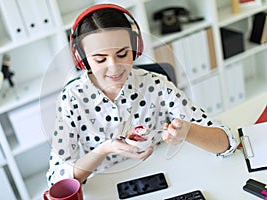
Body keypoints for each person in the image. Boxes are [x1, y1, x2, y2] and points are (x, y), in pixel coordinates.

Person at [46, 4, 237, 186]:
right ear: (82, 59)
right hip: (108, 188)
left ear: (135, 48)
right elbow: (56, 180)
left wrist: (188, 131)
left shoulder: (156, 84)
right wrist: (104, 149)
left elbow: (227, 144)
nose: (114, 67)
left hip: (163, 177)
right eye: (100, 59)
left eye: (122, 54)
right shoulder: (71, 98)